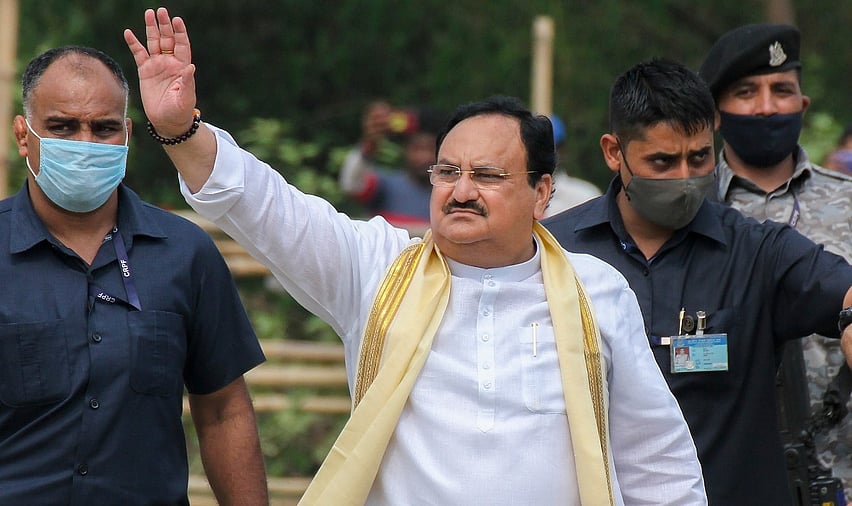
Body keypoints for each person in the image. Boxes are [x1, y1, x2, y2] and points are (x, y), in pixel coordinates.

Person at [124, 8, 707, 505]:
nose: (460, 190)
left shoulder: (595, 290)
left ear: (542, 193)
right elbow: (268, 207)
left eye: (487, 175)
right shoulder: (376, 268)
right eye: (447, 172)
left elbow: (657, 462)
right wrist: (182, 131)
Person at [0, 46, 268, 505]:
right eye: (62, 127)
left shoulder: (184, 254)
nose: (84, 144)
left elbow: (223, 411)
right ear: (24, 135)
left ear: (126, 136)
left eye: (102, 128)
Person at [542, 58, 852, 505]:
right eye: (662, 162)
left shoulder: (757, 252)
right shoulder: (555, 253)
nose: (685, 179)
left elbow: (839, 287)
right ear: (614, 152)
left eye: (699, 157)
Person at [699, 23, 852, 497]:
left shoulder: (847, 203)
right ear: (716, 114)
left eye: (782, 90)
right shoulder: (689, 211)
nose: (767, 107)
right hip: (722, 477)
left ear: (802, 105)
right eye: (746, 92)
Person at [339, 100, 442, 232]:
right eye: (417, 148)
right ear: (405, 150)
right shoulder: (385, 187)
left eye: (430, 149)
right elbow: (351, 184)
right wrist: (370, 143)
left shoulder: (453, 193)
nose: (424, 157)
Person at [544, 114, 602, 217]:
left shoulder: (585, 198)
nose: (543, 156)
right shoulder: (516, 197)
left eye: (552, 149)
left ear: (563, 150)